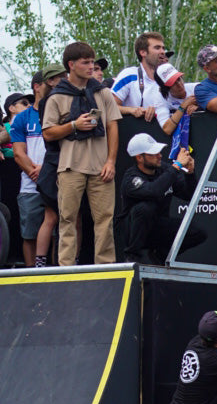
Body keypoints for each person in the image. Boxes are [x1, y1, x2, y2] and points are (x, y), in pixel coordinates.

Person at [41, 41, 121, 265]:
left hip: (101, 166)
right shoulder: (57, 97)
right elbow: (48, 133)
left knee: (105, 219)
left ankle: (105, 268)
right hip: (69, 166)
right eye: (86, 63)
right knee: (67, 218)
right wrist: (74, 125)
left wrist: (111, 161)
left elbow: (113, 126)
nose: (91, 67)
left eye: (92, 62)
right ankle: (65, 268)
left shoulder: (102, 92)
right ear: (71, 65)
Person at [116, 132, 204, 265]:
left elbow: (188, 195)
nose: (160, 155)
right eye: (153, 153)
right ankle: (132, 257)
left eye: (159, 151)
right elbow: (154, 191)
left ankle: (160, 255)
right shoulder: (131, 178)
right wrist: (176, 166)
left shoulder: (164, 169)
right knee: (145, 208)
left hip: (157, 227)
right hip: (133, 231)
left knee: (197, 233)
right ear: (139, 158)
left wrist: (190, 174)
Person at [7, 91, 59, 266]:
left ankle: (55, 275)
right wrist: (36, 173)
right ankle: (30, 276)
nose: (28, 105)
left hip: (55, 181)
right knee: (29, 235)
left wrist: (46, 172)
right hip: (30, 186)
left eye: (29, 102)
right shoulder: (21, 119)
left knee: (55, 234)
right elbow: (18, 154)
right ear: (38, 86)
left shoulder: (58, 113)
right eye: (24, 102)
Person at [113, 31, 170, 122]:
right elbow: (110, 107)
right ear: (143, 52)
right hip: (137, 133)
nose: (162, 52)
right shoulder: (129, 75)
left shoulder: (168, 77)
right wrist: (132, 110)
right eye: (157, 48)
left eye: (163, 48)